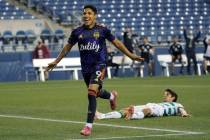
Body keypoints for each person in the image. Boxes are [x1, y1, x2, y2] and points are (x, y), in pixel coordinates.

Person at [45, 5, 143, 136]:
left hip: (99, 65)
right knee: (96, 93)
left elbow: (117, 43)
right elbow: (67, 47)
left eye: (89, 13)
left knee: (91, 92)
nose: (86, 15)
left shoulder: (102, 30)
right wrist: (56, 61)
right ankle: (112, 96)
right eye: (84, 13)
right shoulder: (77, 32)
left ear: (95, 15)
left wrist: (131, 55)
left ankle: (88, 126)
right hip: (86, 68)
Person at [95, 89, 190, 120]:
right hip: (151, 104)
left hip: (160, 110)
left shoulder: (177, 104)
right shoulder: (162, 102)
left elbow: (181, 109)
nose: (165, 97)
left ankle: (132, 116)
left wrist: (184, 113)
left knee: (147, 111)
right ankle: (101, 116)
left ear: (173, 98)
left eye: (167, 95)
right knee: (125, 109)